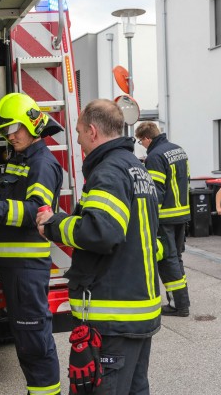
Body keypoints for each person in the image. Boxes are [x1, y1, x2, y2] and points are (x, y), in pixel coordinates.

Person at [37, 99, 161, 395]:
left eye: (79, 132)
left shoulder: (108, 172)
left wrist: (53, 224)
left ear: (92, 131)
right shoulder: (135, 168)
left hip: (112, 317)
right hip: (136, 311)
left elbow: (101, 232)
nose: (77, 139)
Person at [0, 93, 63, 395]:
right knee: (26, 340)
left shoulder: (42, 164)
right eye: (7, 131)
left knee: (34, 341)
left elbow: (37, 211)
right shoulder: (22, 158)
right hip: (17, 269)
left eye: (15, 128)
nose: (10, 136)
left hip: (27, 269)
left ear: (32, 124)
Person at [135, 121, 191, 317]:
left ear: (148, 138)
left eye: (141, 141)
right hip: (181, 213)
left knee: (167, 260)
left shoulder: (155, 156)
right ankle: (181, 301)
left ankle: (179, 305)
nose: (141, 145)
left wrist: (149, 217)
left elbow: (155, 191)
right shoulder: (178, 150)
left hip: (165, 216)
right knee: (176, 258)